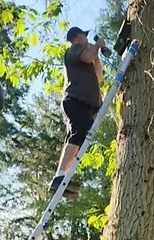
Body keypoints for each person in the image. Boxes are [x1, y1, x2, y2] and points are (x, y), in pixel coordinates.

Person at [48, 27, 106, 199]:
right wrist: (97, 46)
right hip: (76, 100)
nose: (87, 39)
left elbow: (99, 76)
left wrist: (97, 53)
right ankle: (59, 176)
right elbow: (88, 56)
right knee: (78, 134)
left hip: (83, 103)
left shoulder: (85, 57)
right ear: (77, 37)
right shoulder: (73, 50)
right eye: (84, 36)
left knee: (77, 138)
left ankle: (63, 176)